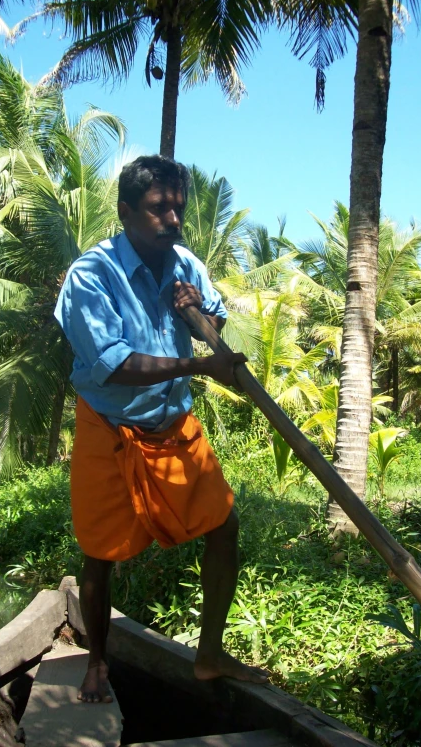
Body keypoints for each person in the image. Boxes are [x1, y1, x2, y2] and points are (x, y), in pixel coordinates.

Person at [55, 155, 268, 704]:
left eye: (178, 207)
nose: (172, 219)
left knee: (224, 527)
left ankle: (209, 655)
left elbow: (212, 322)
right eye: (158, 208)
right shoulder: (91, 275)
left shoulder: (186, 264)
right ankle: (98, 662)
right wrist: (200, 367)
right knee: (100, 555)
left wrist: (199, 312)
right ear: (126, 211)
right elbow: (114, 363)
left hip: (175, 426)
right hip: (111, 427)